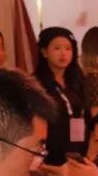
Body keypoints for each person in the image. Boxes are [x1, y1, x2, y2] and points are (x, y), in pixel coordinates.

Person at [34, 27, 88, 165]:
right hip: (52, 152)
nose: (63, 53)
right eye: (57, 48)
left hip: (80, 148)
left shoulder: (78, 79)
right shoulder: (36, 83)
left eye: (68, 49)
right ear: (44, 52)